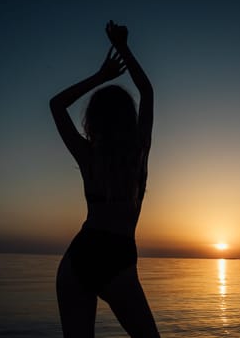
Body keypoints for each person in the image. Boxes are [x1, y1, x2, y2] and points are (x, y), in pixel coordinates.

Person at [50, 21, 160, 337]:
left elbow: (56, 105)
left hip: (80, 256)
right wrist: (124, 47)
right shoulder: (139, 151)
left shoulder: (88, 155)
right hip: (117, 257)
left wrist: (101, 76)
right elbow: (148, 91)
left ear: (94, 119)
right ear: (128, 116)